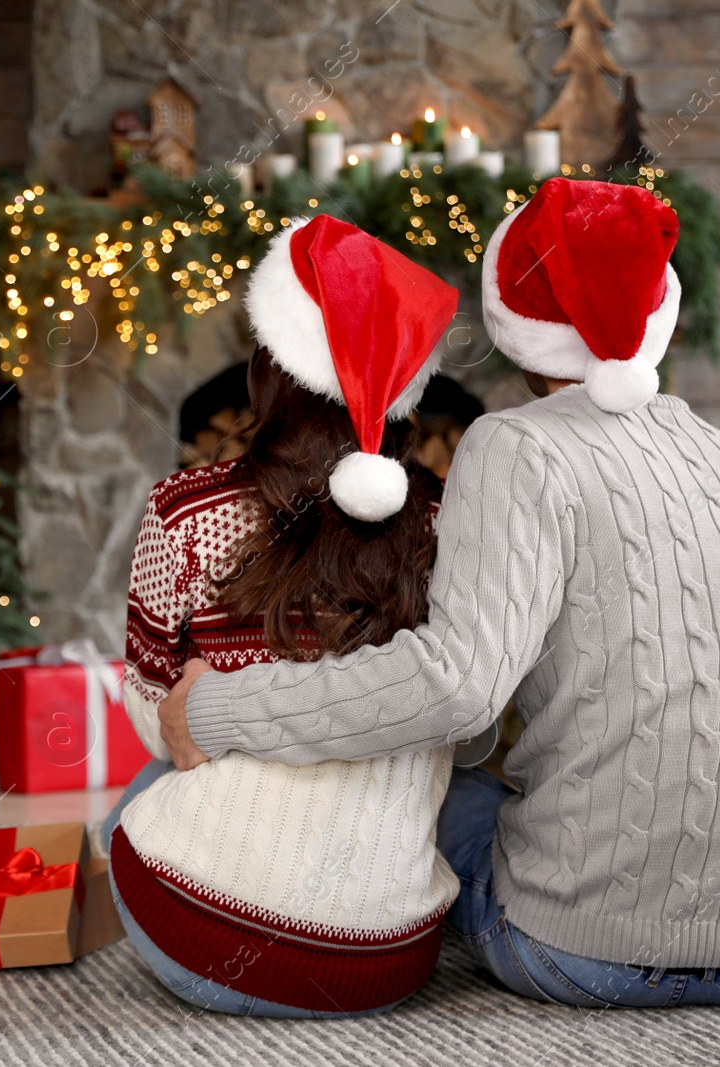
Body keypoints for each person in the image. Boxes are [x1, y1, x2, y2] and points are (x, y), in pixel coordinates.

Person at [158, 178, 720, 1009]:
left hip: (586, 952)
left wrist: (217, 709)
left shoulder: (514, 445)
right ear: (658, 311)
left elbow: (454, 690)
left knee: (422, 791)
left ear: (515, 327)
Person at [102, 214, 463, 1018]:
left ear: (268, 361)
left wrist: (223, 702)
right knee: (464, 804)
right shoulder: (450, 520)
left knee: (124, 806)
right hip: (389, 963)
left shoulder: (185, 508)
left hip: (201, 939)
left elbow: (157, 721)